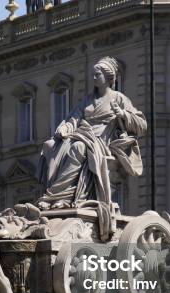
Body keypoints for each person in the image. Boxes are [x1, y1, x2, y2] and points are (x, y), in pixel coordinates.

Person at [36, 57, 147, 212]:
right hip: (82, 134)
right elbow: (74, 118)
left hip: (103, 140)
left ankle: (57, 196)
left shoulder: (119, 98)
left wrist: (122, 114)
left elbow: (141, 124)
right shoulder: (87, 100)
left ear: (108, 77)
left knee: (79, 147)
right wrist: (66, 128)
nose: (94, 78)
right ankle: (59, 197)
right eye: (94, 74)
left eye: (97, 74)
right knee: (50, 145)